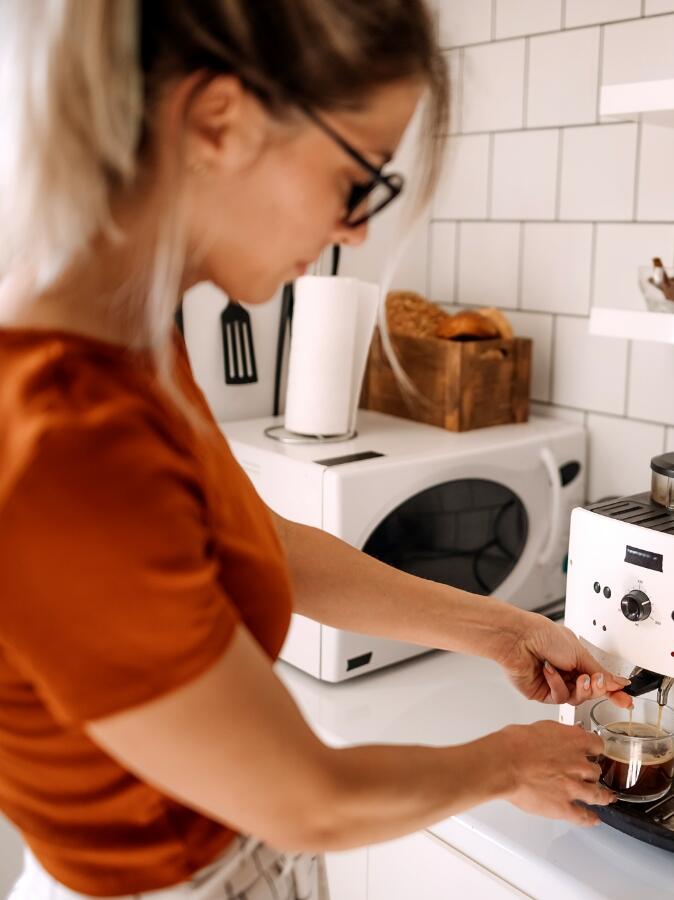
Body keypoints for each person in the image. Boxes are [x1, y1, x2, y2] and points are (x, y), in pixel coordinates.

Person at [0, 3, 630, 898]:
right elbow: (306, 799)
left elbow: (259, 541)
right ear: (219, 121)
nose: (357, 230)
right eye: (356, 178)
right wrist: (507, 764)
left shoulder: (130, 331)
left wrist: (503, 630)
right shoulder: (61, 431)